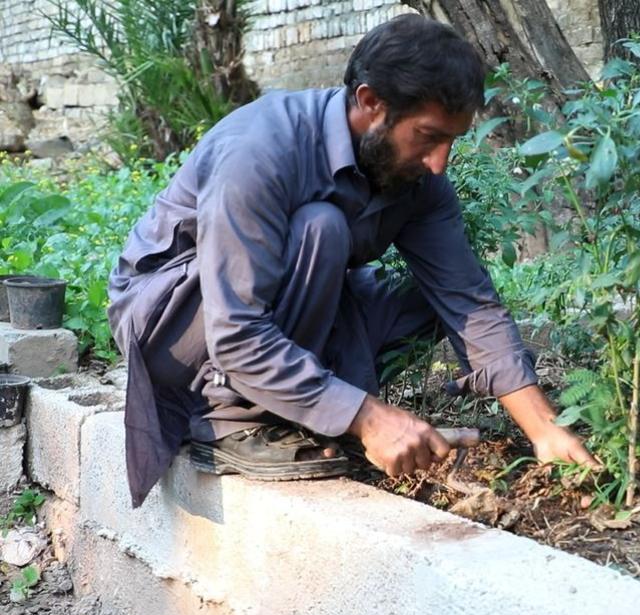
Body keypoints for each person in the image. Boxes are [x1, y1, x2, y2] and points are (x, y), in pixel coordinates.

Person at [107, 14, 598, 508]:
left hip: (266, 316)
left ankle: (305, 407)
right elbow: (235, 331)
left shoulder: (418, 181)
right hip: (176, 328)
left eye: (452, 140)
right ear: (370, 102)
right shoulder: (259, 153)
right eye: (428, 136)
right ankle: (234, 421)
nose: (439, 162)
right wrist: (369, 417)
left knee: (433, 299)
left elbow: (469, 300)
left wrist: (545, 430)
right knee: (322, 227)